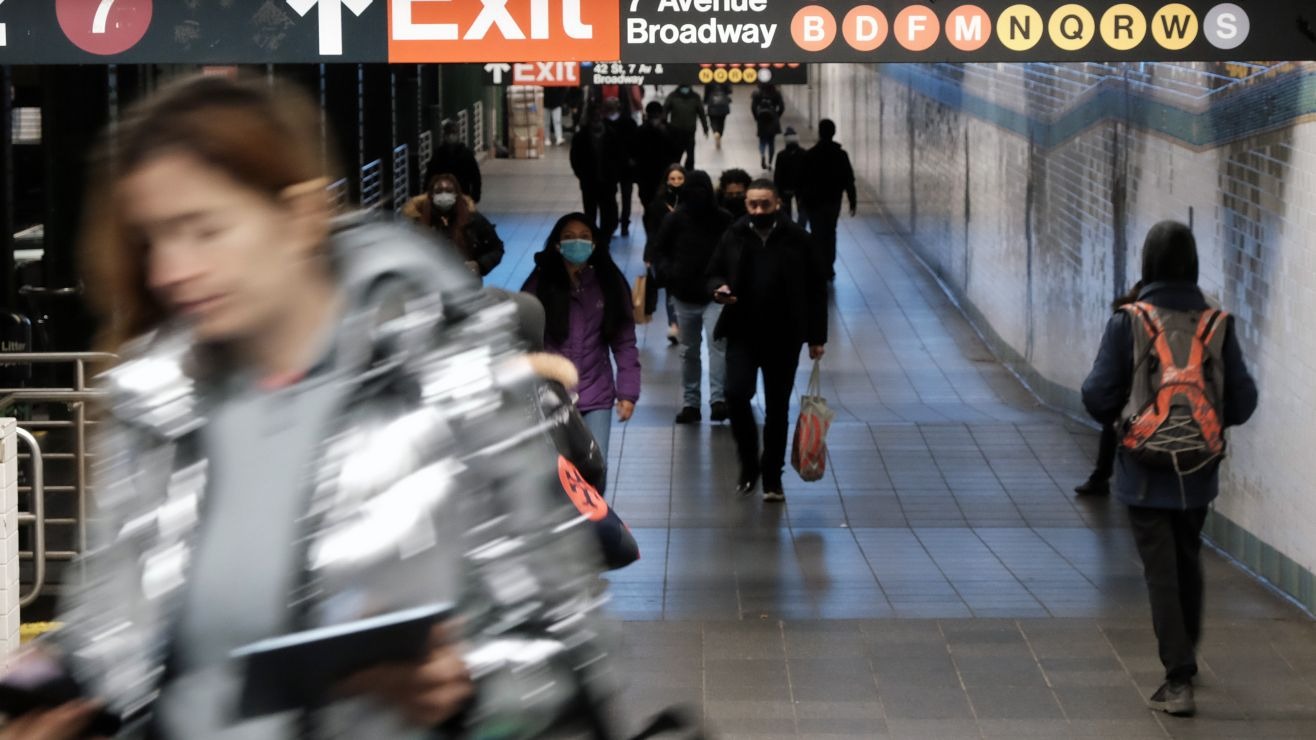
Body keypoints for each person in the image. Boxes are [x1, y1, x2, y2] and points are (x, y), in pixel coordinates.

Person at [1, 75, 613, 739]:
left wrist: (469, 684)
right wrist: (61, 688)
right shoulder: (156, 401)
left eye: (204, 230)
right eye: (154, 239)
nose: (169, 270)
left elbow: (563, 638)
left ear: (297, 218)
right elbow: (113, 629)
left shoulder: (442, 379)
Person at [1082, 221, 1257, 718]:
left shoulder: (1128, 321)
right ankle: (1187, 656)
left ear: (1148, 264)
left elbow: (1097, 396)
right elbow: (1243, 402)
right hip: (1199, 470)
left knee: (1161, 571)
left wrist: (1125, 415)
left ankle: (1177, 678)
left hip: (1142, 469)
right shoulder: (1216, 324)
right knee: (1186, 558)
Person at [707, 179, 828, 503]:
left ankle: (772, 475)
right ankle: (749, 462)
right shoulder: (735, 234)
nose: (758, 210)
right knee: (735, 393)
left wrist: (816, 337)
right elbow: (714, 271)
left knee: (777, 408)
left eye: (764, 204)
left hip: (783, 336)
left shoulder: (798, 240)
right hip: (743, 332)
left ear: (777, 204)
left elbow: (817, 290)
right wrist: (719, 289)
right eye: (752, 204)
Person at [522, 214, 641, 489]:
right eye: (569, 237)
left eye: (585, 237)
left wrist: (628, 392)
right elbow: (523, 335)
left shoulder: (609, 283)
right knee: (556, 473)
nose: (578, 242)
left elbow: (624, 341)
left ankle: (594, 529)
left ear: (596, 243)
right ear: (557, 245)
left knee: (595, 470)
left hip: (596, 393)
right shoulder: (540, 284)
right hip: (551, 395)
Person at [647, 171, 733, 425]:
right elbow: (659, 251)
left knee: (711, 349)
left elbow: (733, 252)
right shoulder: (676, 220)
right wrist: (668, 274)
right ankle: (693, 402)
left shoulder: (722, 219)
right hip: (685, 295)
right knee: (692, 351)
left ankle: (715, 400)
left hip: (713, 296)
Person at [1076, 279, 1144, 496]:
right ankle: (1104, 477)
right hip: (1145, 394)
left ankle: (1101, 477)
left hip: (1128, 394)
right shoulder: (1133, 321)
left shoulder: (1126, 319)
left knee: (1113, 428)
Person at [402, 173, 504, 282]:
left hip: (466, 284)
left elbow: (496, 248)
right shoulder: (418, 223)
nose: (444, 195)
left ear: (456, 194)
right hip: (430, 286)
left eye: (448, 191)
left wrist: (479, 265)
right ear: (431, 195)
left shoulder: (473, 220)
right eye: (439, 191)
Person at [802, 119, 857, 280]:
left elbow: (803, 180)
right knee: (830, 233)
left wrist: (801, 200)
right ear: (833, 132)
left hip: (814, 202)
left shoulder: (810, 155)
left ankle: (818, 265)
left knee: (817, 233)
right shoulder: (840, 155)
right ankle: (829, 266)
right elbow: (849, 179)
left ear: (820, 132)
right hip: (833, 201)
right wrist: (852, 200)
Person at [569, 102, 625, 248]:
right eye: (593, 115)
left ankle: (604, 237)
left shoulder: (612, 135)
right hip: (589, 183)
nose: (596, 117)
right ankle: (594, 239)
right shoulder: (581, 137)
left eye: (599, 114)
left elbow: (619, 157)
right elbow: (575, 158)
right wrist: (582, 175)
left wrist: (615, 175)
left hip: (608, 182)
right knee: (590, 214)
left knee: (610, 214)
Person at [644, 164, 688, 347]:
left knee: (682, 290)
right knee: (671, 289)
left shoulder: (691, 202)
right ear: (667, 180)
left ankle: (682, 323)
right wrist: (649, 255)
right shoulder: (657, 204)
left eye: (680, 178)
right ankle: (674, 325)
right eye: (673, 179)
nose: (676, 182)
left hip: (687, 253)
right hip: (665, 254)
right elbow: (652, 231)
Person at [633, 101, 683, 211]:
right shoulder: (641, 132)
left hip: (661, 175)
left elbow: (677, 150)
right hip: (649, 177)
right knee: (651, 206)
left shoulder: (669, 130)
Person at [426, 120, 482, 203]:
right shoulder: (438, 154)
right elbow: (430, 175)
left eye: (453, 132)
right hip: (441, 197)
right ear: (444, 135)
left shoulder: (466, 154)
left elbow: (475, 176)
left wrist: (475, 196)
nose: (450, 136)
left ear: (458, 134)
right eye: (448, 133)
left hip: (462, 195)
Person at [663, 85, 709, 170]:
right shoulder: (693, 97)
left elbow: (702, 113)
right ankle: (679, 172)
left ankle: (686, 172)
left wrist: (705, 128)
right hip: (678, 132)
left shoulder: (674, 96)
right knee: (679, 155)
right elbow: (665, 111)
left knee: (687, 156)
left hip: (686, 132)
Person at [774, 126, 808, 227]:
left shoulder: (781, 155)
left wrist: (777, 191)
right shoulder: (804, 153)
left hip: (786, 188)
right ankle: (799, 229)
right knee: (802, 211)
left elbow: (778, 174)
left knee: (785, 211)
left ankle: (789, 228)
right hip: (801, 188)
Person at [750, 82, 784, 170]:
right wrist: (777, 115)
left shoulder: (757, 93)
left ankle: (762, 155)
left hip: (761, 118)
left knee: (762, 140)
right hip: (773, 118)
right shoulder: (776, 93)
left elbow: (753, 107)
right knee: (771, 142)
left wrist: (756, 117)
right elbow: (782, 107)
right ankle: (770, 163)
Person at [703, 82, 732, 150]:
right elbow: (730, 91)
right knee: (722, 121)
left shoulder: (709, 81)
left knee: (713, 121)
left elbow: (706, 93)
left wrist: (704, 102)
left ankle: (715, 132)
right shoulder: (725, 79)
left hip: (712, 104)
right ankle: (720, 134)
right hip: (723, 105)